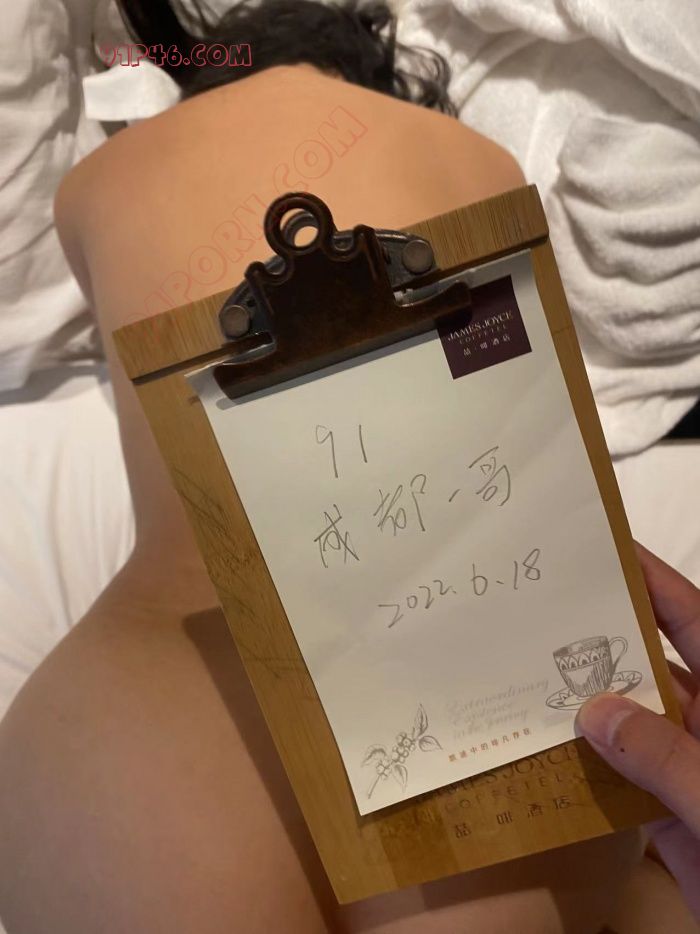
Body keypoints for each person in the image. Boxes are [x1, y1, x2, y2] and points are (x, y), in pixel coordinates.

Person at [0, 1, 697, 931]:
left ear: (196, 81)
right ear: (380, 77)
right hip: (474, 667)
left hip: (165, 680)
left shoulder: (93, 183)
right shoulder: (480, 159)